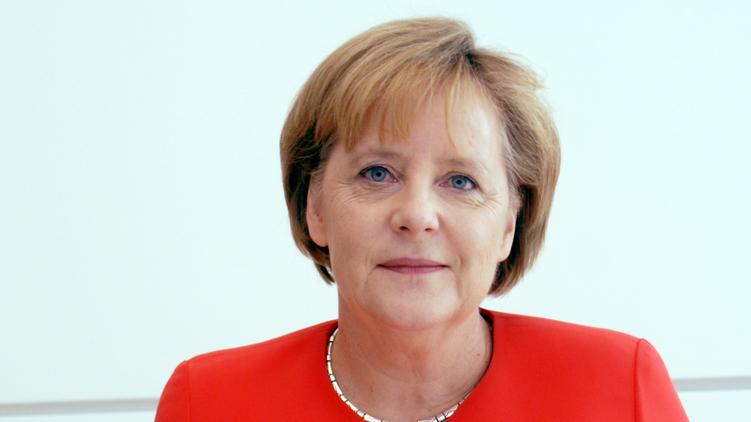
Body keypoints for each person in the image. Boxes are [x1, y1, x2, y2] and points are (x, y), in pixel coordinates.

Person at [155, 17, 688, 421]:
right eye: (377, 173)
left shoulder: (621, 388)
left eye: (461, 181)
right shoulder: (210, 401)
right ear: (314, 206)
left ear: (509, 223)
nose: (416, 216)